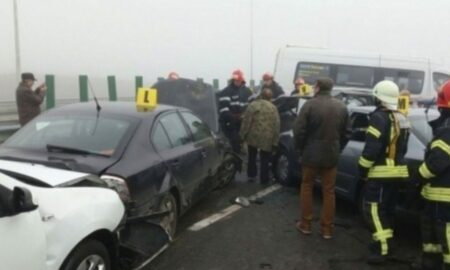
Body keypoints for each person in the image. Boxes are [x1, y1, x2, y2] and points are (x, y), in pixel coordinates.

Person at [357, 80, 410, 264]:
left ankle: (383, 249)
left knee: (373, 210)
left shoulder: (378, 117)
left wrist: (362, 169)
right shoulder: (401, 116)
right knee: (387, 210)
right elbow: (403, 148)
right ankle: (384, 243)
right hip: (398, 172)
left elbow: (371, 148)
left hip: (380, 173)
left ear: (378, 97)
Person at [294, 77, 350, 239]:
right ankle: (327, 229)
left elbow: (299, 131)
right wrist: (337, 147)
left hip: (311, 153)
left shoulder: (309, 105)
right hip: (331, 153)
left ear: (317, 87)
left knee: (306, 186)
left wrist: (300, 148)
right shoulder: (341, 106)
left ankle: (305, 224)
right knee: (329, 191)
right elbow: (347, 132)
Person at [414, 80, 450, 270]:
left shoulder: (447, 132)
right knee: (434, 239)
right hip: (437, 197)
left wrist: (417, 177)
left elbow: (436, 163)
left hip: (442, 198)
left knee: (442, 235)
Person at [240, 88, 280, 184]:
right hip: (267, 137)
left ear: (261, 95)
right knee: (265, 158)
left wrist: (242, 135)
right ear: (270, 97)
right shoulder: (273, 108)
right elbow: (277, 125)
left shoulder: (253, 105)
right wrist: (275, 141)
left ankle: (251, 176)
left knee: (252, 156)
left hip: (253, 135)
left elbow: (246, 122)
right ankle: (264, 179)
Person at [218, 69, 253, 154]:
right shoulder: (225, 92)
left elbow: (252, 106)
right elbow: (224, 109)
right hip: (230, 124)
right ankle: (236, 160)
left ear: (242, 80)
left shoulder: (247, 91)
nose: (237, 82)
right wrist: (235, 117)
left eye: (238, 80)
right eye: (235, 80)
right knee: (234, 144)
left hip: (244, 122)